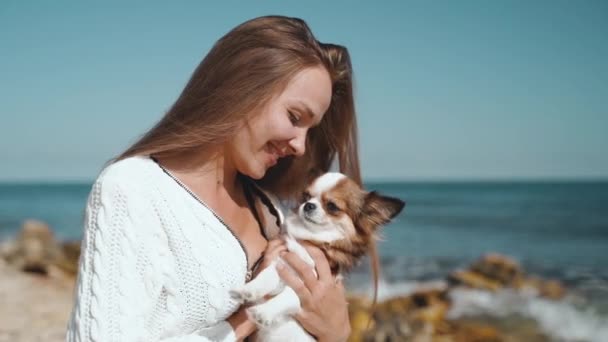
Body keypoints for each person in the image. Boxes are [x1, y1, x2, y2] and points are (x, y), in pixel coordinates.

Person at [66, 15, 361, 342]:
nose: (301, 146)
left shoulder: (269, 209)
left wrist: (336, 333)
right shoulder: (132, 189)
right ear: (243, 86)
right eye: (294, 117)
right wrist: (244, 321)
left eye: (311, 130)